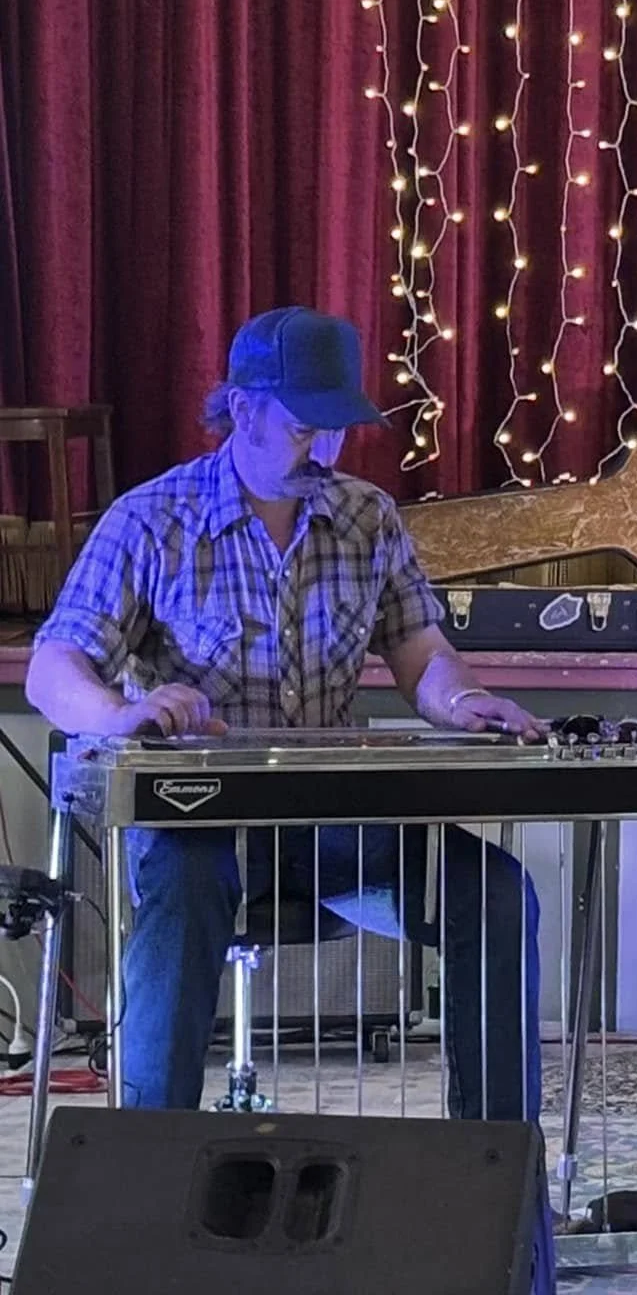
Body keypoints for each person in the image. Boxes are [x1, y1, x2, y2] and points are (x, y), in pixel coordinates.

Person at [25, 306, 558, 1289]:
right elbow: (52, 668)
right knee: (181, 895)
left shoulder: (367, 517)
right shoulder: (150, 518)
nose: (327, 448)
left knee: (491, 893)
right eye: (305, 425)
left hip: (331, 827)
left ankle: (491, 1198)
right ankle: (148, 1209)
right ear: (241, 410)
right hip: (202, 827)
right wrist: (122, 714)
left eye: (337, 427)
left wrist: (463, 699)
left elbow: (419, 652)